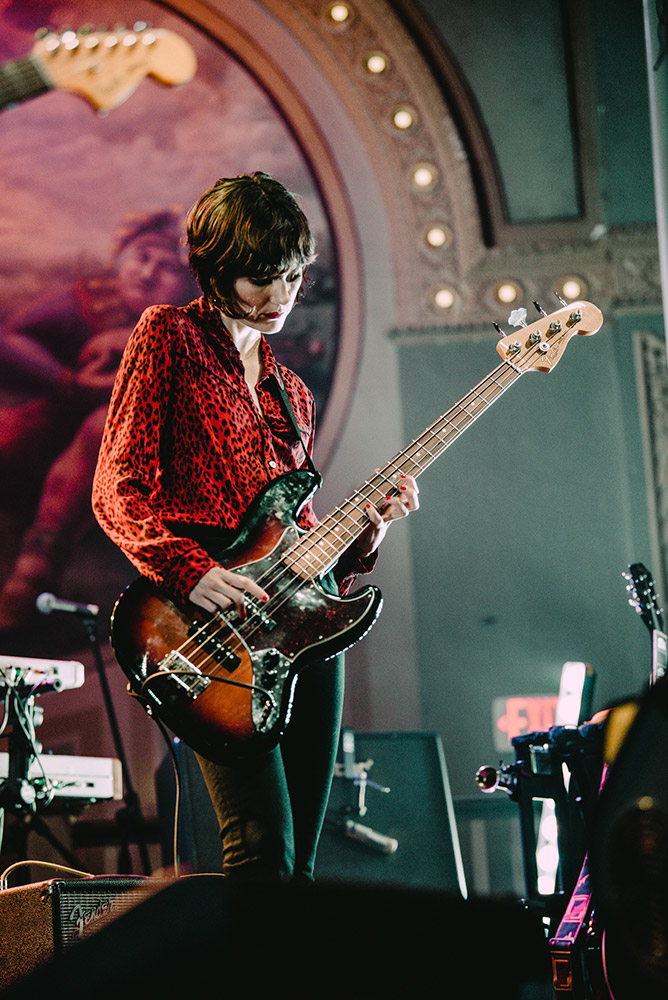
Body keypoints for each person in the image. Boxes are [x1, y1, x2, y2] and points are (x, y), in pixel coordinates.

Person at [92, 171, 419, 883]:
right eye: (260, 281)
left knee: (299, 859)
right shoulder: (168, 339)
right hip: (200, 627)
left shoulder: (290, 390)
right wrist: (191, 570)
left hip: (295, 626)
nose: (280, 300)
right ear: (214, 270)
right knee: (260, 846)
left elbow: (297, 534)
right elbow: (117, 491)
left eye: (294, 279)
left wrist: (370, 531)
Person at [0, 209, 197, 631]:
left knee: (104, 427)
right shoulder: (92, 299)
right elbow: (11, 336)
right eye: (141, 256)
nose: (146, 274)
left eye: (166, 269)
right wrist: (69, 380)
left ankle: (31, 576)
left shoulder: (192, 332)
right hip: (49, 424)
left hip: (123, 464)